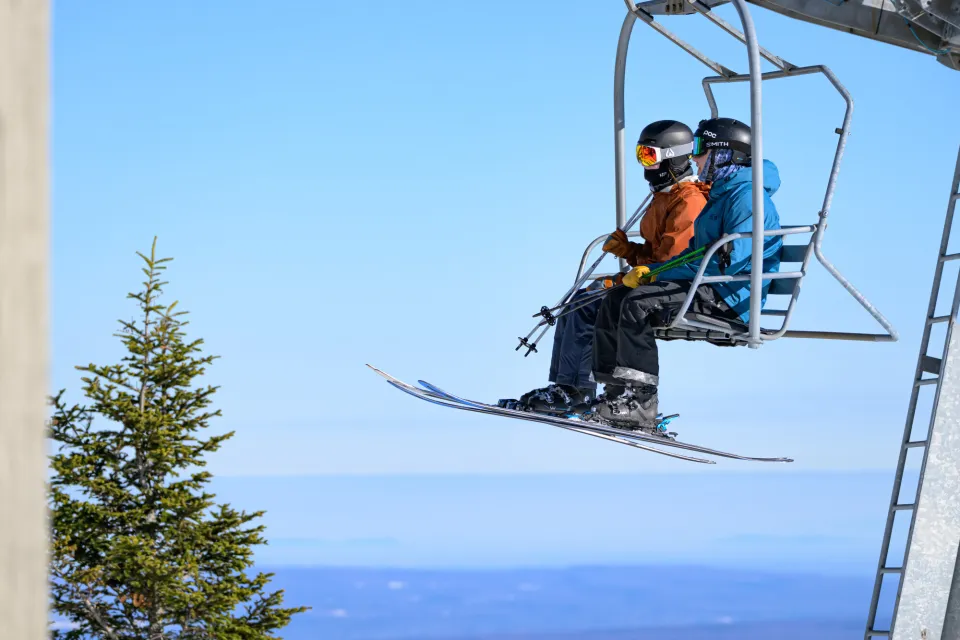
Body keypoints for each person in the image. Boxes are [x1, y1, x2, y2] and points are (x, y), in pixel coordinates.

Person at [498, 120, 710, 415]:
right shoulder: (664, 198)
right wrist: (628, 250)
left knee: (592, 301)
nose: (645, 166)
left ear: (672, 157)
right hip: (654, 279)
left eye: (649, 156)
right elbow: (654, 254)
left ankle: (579, 391)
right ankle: (568, 386)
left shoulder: (689, 201)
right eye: (640, 156)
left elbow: (672, 260)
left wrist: (635, 266)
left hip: (673, 289)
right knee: (580, 298)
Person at [585, 116, 783, 431]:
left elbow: (724, 261)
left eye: (702, 148)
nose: (695, 157)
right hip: (709, 287)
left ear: (724, 154)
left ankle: (640, 402)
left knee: (638, 302)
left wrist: (654, 274)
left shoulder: (746, 197)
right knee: (618, 297)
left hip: (731, 296)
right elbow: (696, 253)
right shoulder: (723, 193)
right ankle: (617, 396)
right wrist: (651, 269)